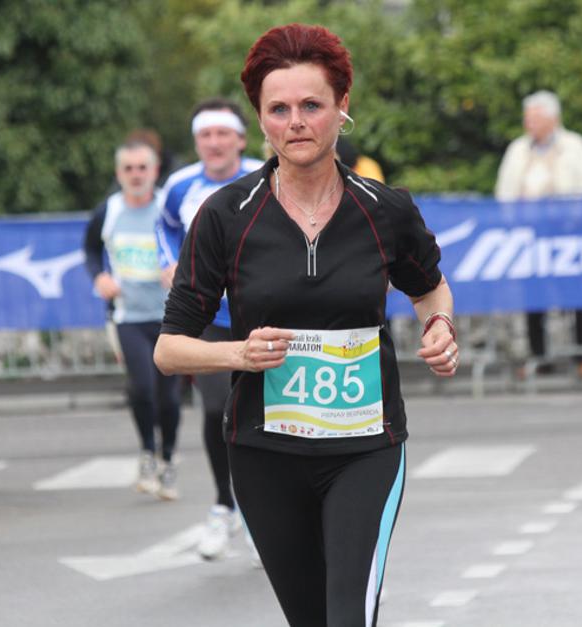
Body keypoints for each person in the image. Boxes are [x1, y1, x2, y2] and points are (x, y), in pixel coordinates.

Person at [154, 23, 458, 627]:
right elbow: (169, 349)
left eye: (312, 106)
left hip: (366, 446)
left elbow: (429, 289)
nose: (296, 122)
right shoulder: (225, 215)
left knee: (347, 617)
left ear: (342, 107)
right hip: (264, 451)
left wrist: (440, 326)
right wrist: (238, 354)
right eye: (279, 109)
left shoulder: (386, 209)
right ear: (260, 120)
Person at [155, 98, 263, 559]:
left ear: (240, 139)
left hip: (264, 317)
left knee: (267, 415)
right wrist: (169, 264)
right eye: (205, 135)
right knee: (218, 410)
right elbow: (164, 227)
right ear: (196, 142)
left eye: (223, 134)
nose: (214, 143)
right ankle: (224, 505)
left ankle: (263, 513)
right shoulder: (180, 186)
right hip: (210, 319)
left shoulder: (266, 175)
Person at [83, 140, 182, 499]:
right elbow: (91, 249)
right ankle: (147, 453)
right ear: (118, 173)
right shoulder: (108, 211)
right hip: (128, 317)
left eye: (143, 168)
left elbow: (194, 244)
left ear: (155, 171)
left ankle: (168, 459)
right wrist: (99, 277)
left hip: (172, 316)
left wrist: (181, 269)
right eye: (129, 168)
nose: (136, 175)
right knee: (142, 388)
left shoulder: (168, 208)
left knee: (169, 397)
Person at [495, 90, 582, 378]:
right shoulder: (518, 149)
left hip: (566, 234)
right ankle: (539, 356)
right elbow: (504, 190)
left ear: (553, 118)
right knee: (533, 298)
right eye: (527, 118)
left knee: (575, 297)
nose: (529, 124)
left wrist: (572, 219)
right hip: (529, 235)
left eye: (535, 118)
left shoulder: (575, 146)